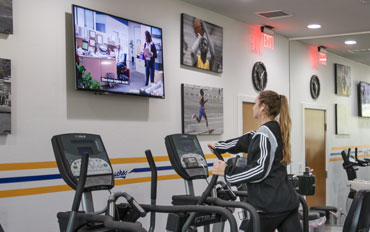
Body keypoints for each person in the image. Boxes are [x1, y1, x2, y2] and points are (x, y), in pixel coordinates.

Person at [208, 90, 302, 232]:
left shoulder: (265, 134)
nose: (253, 107)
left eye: (255, 103)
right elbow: (247, 140)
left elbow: (260, 169)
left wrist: (227, 171)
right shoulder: (274, 129)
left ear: (263, 106)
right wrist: (219, 146)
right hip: (288, 203)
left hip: (270, 206)